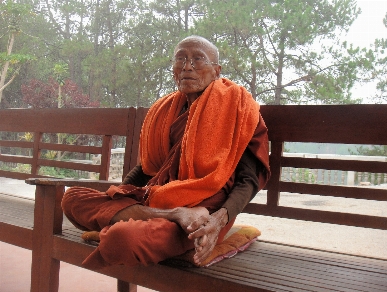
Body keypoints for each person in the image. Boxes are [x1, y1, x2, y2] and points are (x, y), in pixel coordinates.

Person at [61, 35, 270, 269]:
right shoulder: (165, 110)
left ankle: (133, 223)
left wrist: (219, 220)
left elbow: (249, 179)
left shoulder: (237, 107)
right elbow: (148, 168)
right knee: (71, 198)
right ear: (173, 69)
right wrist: (122, 196)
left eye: (198, 59)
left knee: (123, 238)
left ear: (216, 71)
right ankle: (171, 215)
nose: (187, 67)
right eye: (180, 59)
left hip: (202, 213)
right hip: (159, 202)